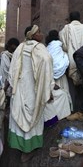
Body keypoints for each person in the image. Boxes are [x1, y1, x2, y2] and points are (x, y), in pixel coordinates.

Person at [8, 25, 55, 162]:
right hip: (33, 93)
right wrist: (48, 89)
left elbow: (12, 72)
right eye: (39, 32)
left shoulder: (20, 48)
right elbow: (47, 63)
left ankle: (19, 148)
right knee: (33, 119)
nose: (42, 34)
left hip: (20, 91)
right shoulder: (40, 48)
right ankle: (28, 151)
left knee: (19, 119)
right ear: (33, 35)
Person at [59, 11, 83, 121]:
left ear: (69, 18)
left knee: (75, 87)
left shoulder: (65, 29)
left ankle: (77, 110)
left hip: (73, 60)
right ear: (79, 18)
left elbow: (64, 47)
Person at [45, 30, 72, 119]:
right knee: (62, 93)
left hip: (50, 76)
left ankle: (55, 114)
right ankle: (63, 112)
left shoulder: (47, 47)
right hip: (61, 76)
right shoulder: (59, 45)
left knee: (54, 95)